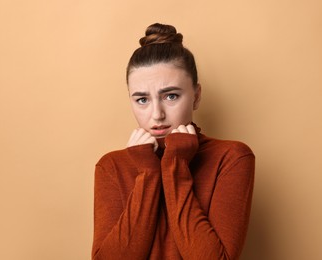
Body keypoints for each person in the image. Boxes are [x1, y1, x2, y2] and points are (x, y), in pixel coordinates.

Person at [92, 23, 255, 260]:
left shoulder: (231, 158)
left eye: (171, 96)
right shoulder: (111, 166)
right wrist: (147, 173)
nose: (157, 114)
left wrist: (175, 164)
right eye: (142, 100)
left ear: (196, 96)